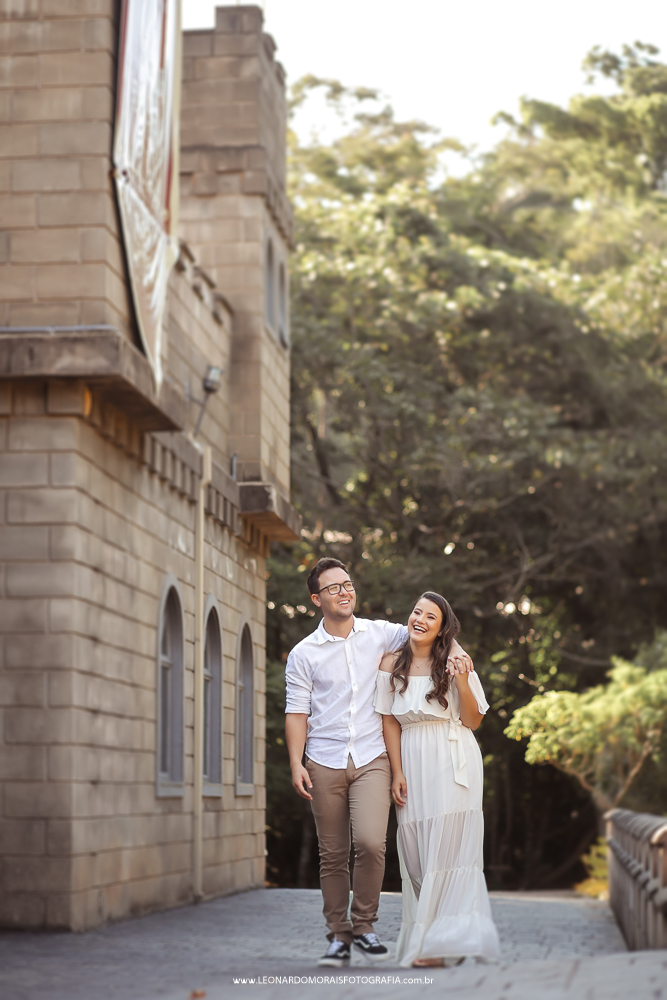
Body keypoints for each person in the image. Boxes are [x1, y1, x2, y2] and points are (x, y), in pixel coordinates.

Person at [285, 558, 474, 968]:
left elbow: (432, 630)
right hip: (324, 760)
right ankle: (339, 935)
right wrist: (296, 762)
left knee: (371, 844)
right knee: (333, 853)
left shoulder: (380, 633)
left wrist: (457, 652)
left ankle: (365, 926)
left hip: (373, 758)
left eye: (347, 584)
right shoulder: (303, 654)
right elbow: (296, 712)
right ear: (317, 599)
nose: (344, 592)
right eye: (333, 588)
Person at [374, 591, 500, 968]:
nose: (421, 620)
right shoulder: (390, 662)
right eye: (417, 612)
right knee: (416, 856)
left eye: (432, 617)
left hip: (453, 760)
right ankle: (443, 938)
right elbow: (388, 720)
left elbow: (473, 720)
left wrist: (460, 679)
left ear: (443, 629)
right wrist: (397, 771)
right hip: (412, 761)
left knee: (450, 853)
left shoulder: (456, 661)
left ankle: (438, 946)